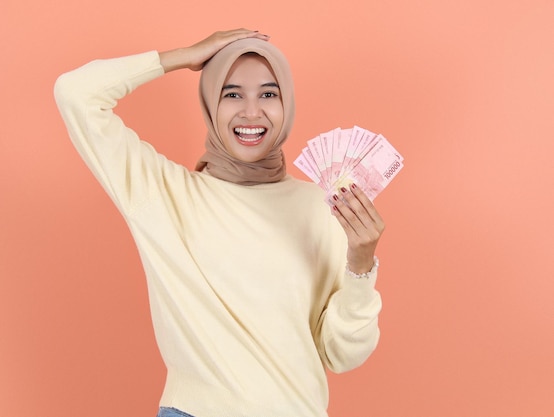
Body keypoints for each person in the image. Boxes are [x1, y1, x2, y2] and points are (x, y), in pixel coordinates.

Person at [54, 28, 384, 417]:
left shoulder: (323, 206)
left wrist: (361, 266)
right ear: (210, 102)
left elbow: (341, 354)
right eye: (231, 93)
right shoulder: (162, 194)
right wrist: (184, 56)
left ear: (287, 103)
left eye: (268, 93)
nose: (251, 112)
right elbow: (75, 93)